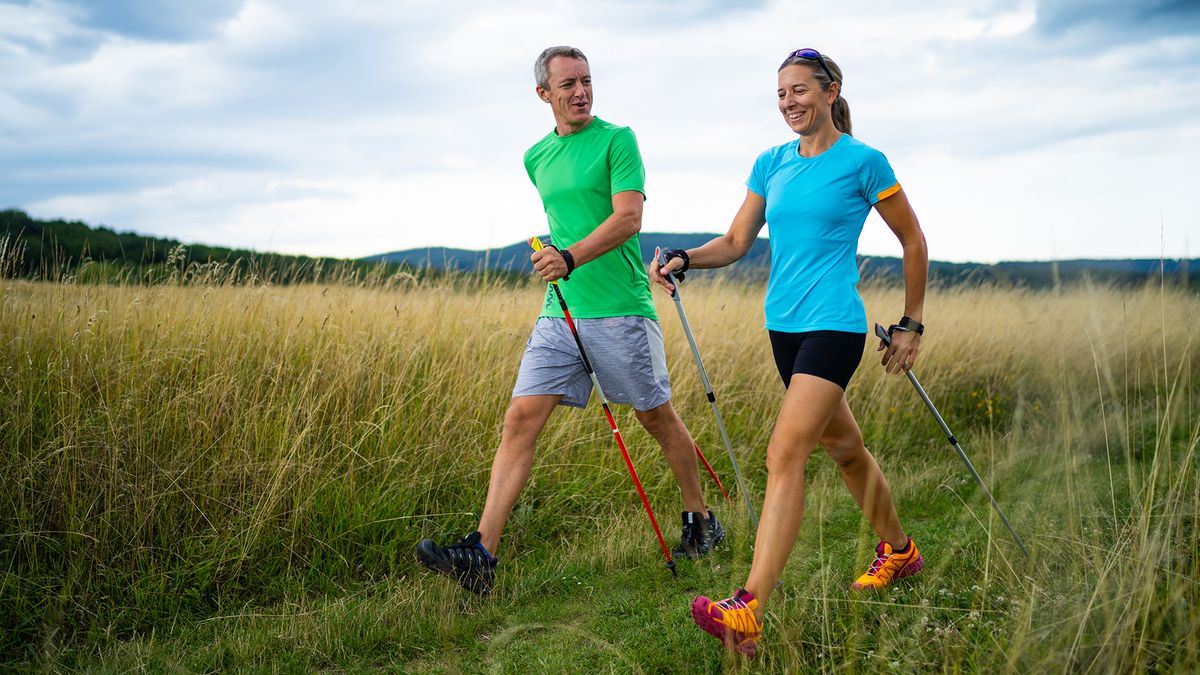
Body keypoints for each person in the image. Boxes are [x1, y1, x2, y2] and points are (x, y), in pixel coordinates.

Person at [416, 46, 724, 595]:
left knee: (656, 419)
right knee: (520, 419)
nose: (581, 92)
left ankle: (701, 522)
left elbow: (629, 219)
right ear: (544, 94)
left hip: (621, 310)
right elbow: (565, 221)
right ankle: (481, 555)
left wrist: (572, 256)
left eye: (586, 81)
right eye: (568, 85)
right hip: (561, 312)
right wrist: (554, 256)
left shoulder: (617, 139)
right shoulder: (535, 157)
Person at [651, 48, 929, 656]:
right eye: (781, 94)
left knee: (785, 453)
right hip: (783, 329)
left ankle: (747, 607)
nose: (789, 103)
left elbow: (912, 239)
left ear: (831, 92)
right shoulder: (770, 163)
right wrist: (684, 258)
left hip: (833, 326)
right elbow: (734, 241)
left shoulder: (863, 161)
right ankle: (901, 553)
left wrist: (911, 323)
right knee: (847, 450)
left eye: (800, 91)